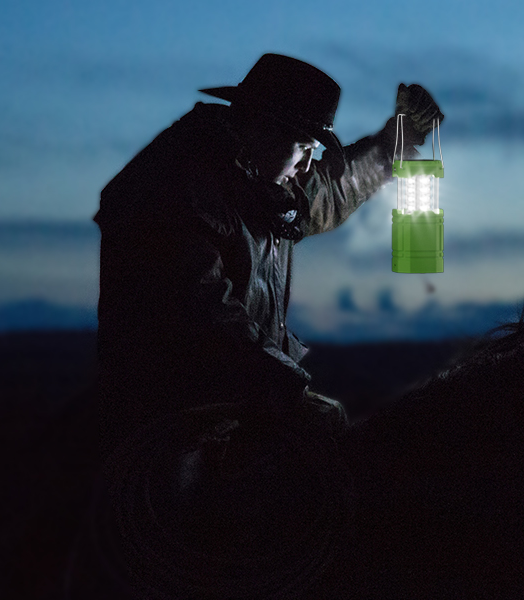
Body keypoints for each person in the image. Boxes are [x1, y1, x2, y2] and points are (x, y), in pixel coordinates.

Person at [92, 53, 444, 454]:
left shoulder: (261, 185)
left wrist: (390, 146)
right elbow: (199, 315)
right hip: (170, 425)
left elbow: (332, 187)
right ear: (260, 128)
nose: (308, 164)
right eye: (303, 147)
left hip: (239, 403)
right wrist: (288, 392)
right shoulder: (175, 186)